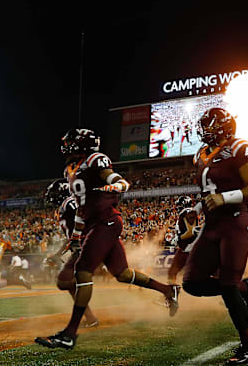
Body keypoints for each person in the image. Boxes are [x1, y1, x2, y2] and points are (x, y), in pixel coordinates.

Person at [36, 128, 179, 350]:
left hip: (106, 221)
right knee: (122, 274)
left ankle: (70, 333)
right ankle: (168, 291)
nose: (67, 146)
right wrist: (75, 236)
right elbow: (82, 210)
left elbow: (117, 180)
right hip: (95, 223)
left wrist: (118, 185)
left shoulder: (95, 159)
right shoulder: (71, 171)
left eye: (71, 142)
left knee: (82, 269)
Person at [182, 108, 248, 364]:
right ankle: (245, 286)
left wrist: (224, 198)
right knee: (192, 283)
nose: (203, 130)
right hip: (212, 224)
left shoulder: (238, 147)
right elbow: (210, 192)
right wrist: (196, 209)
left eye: (208, 125)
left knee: (227, 285)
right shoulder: (201, 154)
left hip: (235, 222)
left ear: (222, 127)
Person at [43, 178, 98, 328]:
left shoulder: (69, 202)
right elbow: (71, 237)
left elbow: (85, 216)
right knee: (66, 283)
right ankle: (90, 317)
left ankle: (88, 318)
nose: (52, 196)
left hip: (86, 245)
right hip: (82, 245)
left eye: (54, 192)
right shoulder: (64, 206)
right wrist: (57, 254)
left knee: (65, 282)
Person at [167, 196, 202, 284]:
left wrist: (178, 238)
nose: (177, 208)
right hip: (188, 247)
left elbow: (191, 232)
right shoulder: (189, 213)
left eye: (179, 205)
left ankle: (171, 294)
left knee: (172, 273)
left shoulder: (186, 212)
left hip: (188, 248)